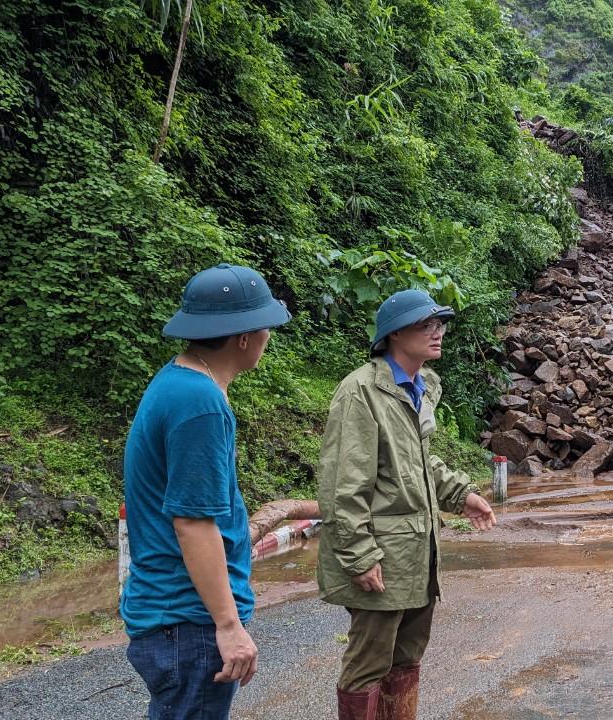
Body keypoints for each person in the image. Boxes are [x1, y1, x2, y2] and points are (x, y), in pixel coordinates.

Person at [121, 263, 291, 719]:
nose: (267, 338)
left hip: (175, 617)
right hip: (187, 621)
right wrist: (228, 625)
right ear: (242, 337)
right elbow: (193, 523)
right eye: (266, 328)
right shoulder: (200, 403)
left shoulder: (178, 382)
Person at [318, 288, 496, 720]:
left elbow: (420, 458)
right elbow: (343, 483)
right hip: (382, 554)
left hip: (418, 553)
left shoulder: (421, 386)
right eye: (425, 324)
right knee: (368, 665)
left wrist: (461, 493)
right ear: (395, 334)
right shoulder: (361, 391)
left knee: (407, 658)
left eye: (439, 324)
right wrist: (359, 556)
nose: (437, 333)